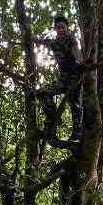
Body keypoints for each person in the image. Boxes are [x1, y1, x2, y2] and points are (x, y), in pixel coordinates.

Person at [32, 15, 83, 143]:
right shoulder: (54, 43)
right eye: (58, 27)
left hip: (74, 80)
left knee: (76, 107)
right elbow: (41, 41)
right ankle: (54, 117)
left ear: (67, 28)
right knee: (41, 92)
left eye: (63, 27)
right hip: (62, 80)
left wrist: (80, 62)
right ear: (55, 29)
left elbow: (77, 54)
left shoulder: (71, 40)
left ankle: (76, 136)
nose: (61, 30)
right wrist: (29, 36)